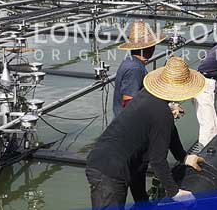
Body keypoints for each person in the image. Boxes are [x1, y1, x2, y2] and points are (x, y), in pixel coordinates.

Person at [86, 57, 206, 209]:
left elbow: (168, 130)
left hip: (126, 163)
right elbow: (157, 161)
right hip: (107, 170)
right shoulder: (161, 112)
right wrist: (174, 192)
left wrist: (183, 157)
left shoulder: (148, 96)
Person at [113, 20, 166, 203]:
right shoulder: (135, 69)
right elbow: (129, 102)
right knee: (135, 180)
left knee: (137, 184)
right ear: (146, 48)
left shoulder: (129, 62)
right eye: (152, 46)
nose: (153, 50)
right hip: (130, 134)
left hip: (125, 131)